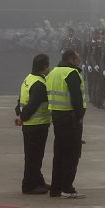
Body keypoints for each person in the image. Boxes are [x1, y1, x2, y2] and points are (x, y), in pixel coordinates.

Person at [46, 49, 86, 198]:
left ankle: (56, 188)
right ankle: (67, 188)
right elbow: (76, 98)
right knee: (71, 154)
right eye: (77, 57)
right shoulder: (71, 73)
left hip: (57, 116)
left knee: (60, 153)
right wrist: (80, 115)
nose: (79, 60)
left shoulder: (53, 72)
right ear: (71, 59)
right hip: (70, 118)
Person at [16, 53, 51, 195]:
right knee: (34, 157)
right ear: (44, 66)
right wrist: (23, 117)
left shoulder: (28, 79)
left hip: (31, 126)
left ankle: (38, 180)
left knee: (34, 156)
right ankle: (29, 185)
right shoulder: (40, 84)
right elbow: (32, 106)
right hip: (37, 125)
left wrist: (19, 113)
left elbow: (20, 100)